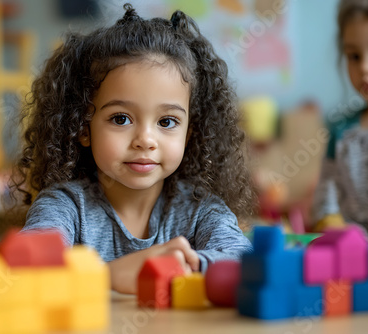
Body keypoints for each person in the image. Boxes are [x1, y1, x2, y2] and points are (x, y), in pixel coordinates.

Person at [14, 4, 254, 294]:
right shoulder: (65, 207)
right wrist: (108, 277)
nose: (145, 139)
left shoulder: (202, 211)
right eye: (121, 119)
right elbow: (28, 270)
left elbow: (245, 262)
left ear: (189, 135)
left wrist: (185, 264)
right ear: (83, 127)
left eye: (167, 121)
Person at [312, 0, 368, 241]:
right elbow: (327, 196)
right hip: (355, 259)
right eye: (354, 56)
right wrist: (331, 224)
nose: (365, 67)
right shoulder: (341, 131)